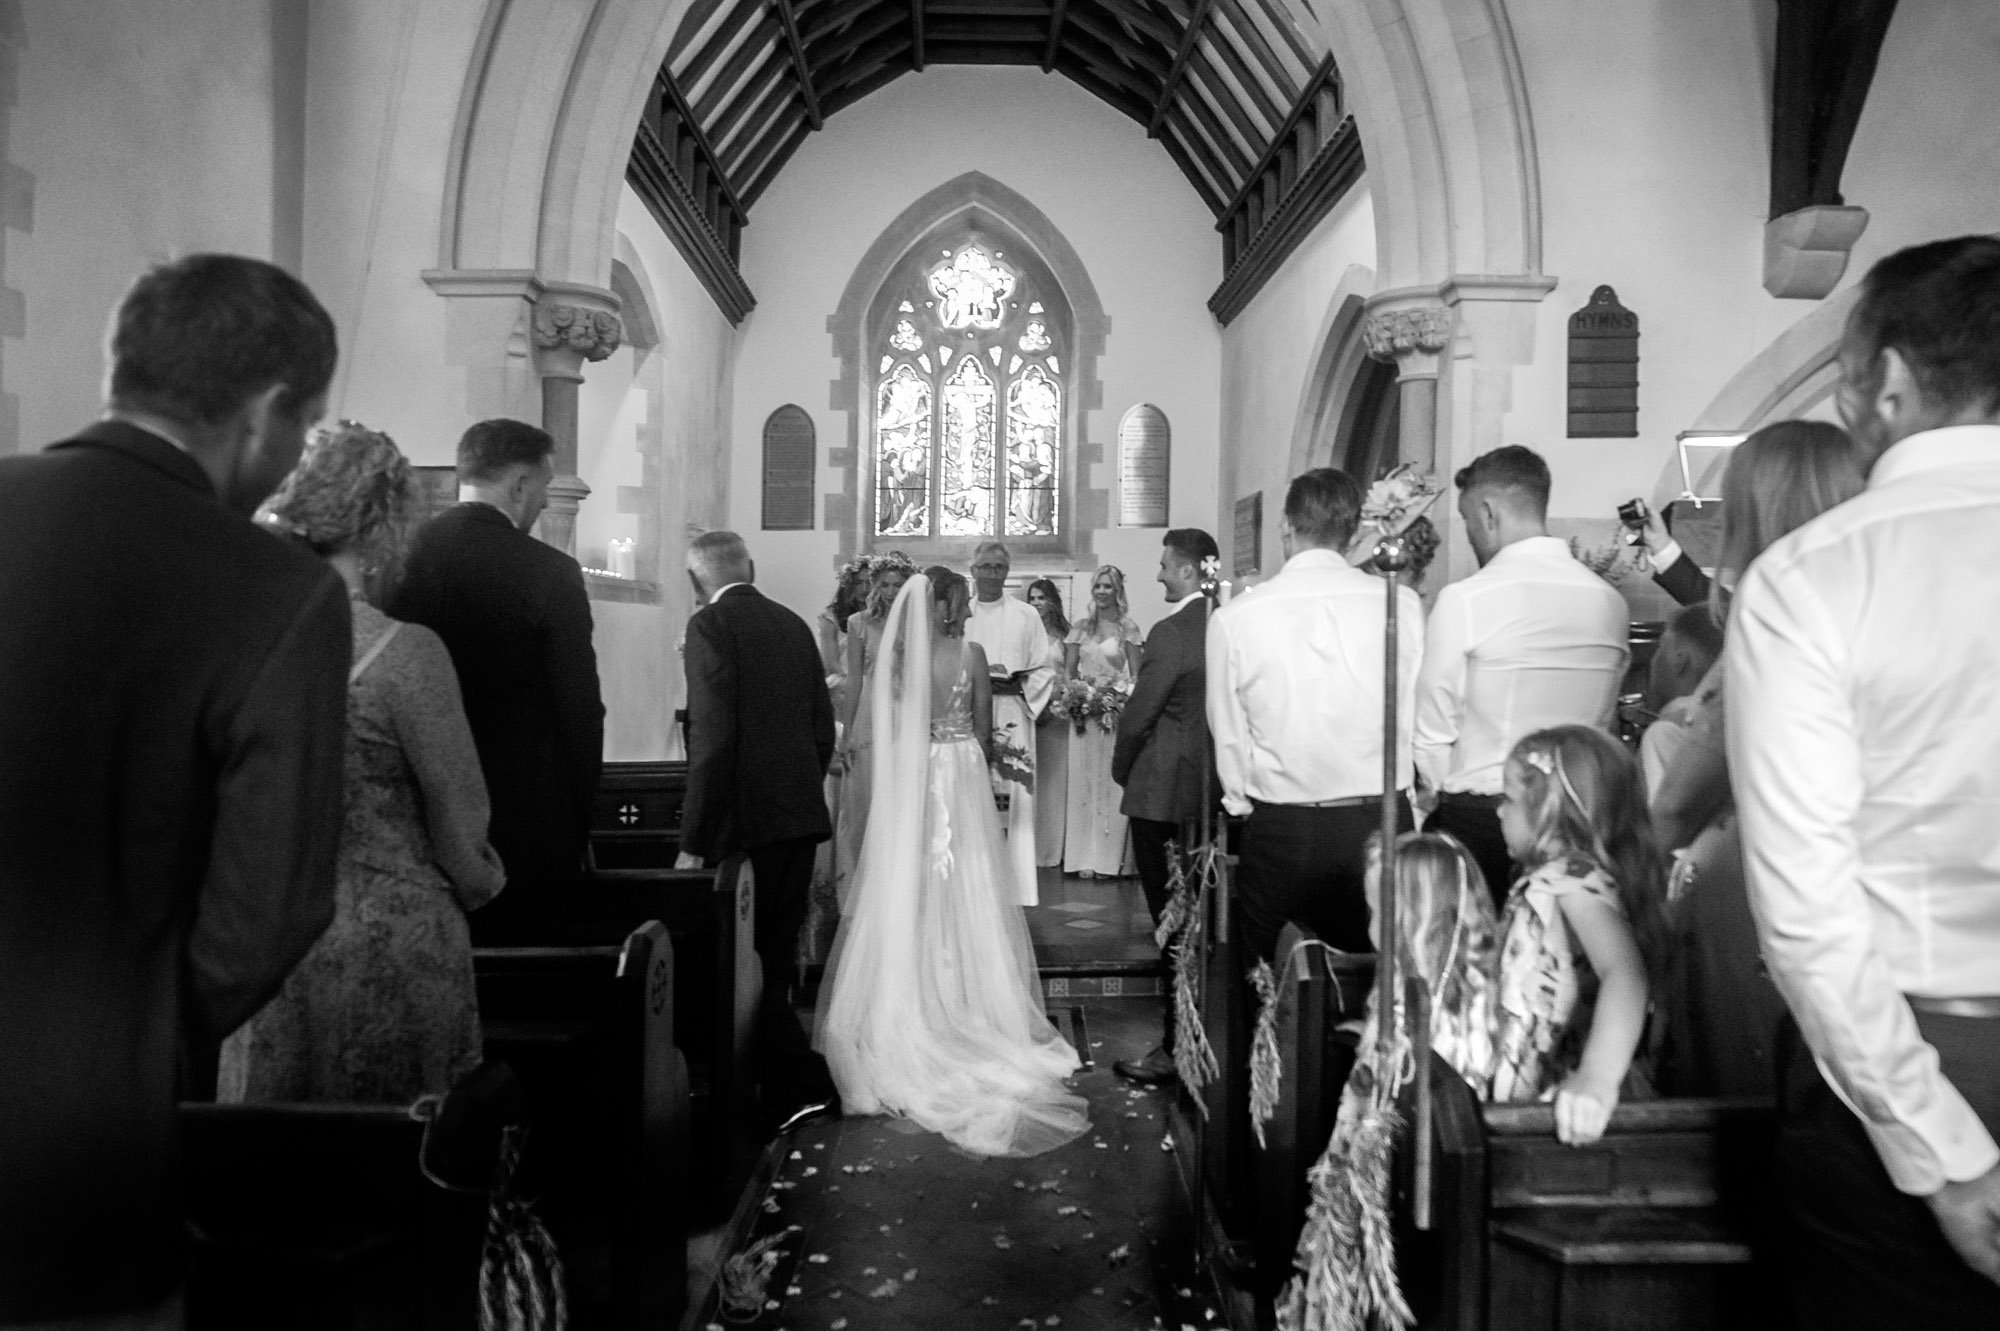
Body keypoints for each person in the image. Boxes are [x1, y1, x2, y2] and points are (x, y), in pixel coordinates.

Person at [0, 254, 347, 1329]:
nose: (292, 461)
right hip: (77, 1156)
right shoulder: (274, 588)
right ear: (267, 412)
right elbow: (268, 914)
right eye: (302, 431)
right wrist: (134, 1029)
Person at [1728, 236, 2000, 1324]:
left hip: (1905, 1052)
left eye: (1843, 377)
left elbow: (1808, 913)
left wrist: (1939, 1152)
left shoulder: (1814, 575)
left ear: (1887, 382)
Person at [221, 423, 506, 1103]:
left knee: (277, 1165)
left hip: (271, 948)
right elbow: (460, 817)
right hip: (392, 940)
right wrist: (481, 882)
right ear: (384, 524)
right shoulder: (406, 653)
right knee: (396, 1168)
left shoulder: (236, 644)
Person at [814, 569, 1089, 1157]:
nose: (966, 611)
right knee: (970, 882)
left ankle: (916, 995)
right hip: (961, 770)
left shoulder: (902, 658)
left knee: (916, 882)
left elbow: (892, 725)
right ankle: (974, 998)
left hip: (920, 772)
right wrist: (970, 759)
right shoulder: (974, 653)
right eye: (961, 601)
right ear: (943, 606)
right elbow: (986, 732)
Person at [1649, 420, 1868, 1101]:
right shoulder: (1883, 602)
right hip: (1868, 894)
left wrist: (1635, 895)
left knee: (1744, 1110)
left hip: (1756, 891)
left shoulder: (1769, 617)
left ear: (1754, 510)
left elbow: (1679, 801)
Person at [387, 418, 603, 942]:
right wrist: (575, 824)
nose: (547, 503)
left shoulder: (398, 561)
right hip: (526, 828)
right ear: (521, 484)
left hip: (416, 822)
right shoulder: (550, 572)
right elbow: (579, 711)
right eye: (546, 488)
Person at [1207, 468, 1424, 962]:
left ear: (1287, 526)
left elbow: (1230, 735)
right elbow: (1414, 710)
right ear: (1354, 532)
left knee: (1267, 983)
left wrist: (1244, 807)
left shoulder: (1236, 617)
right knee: (1382, 982)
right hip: (1382, 820)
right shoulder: (1402, 604)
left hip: (1285, 829)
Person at [1413, 446, 1630, 913]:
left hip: (1482, 821)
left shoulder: (1466, 600)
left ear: (1488, 513)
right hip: (1581, 821)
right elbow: (1604, 723)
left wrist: (1447, 801)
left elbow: (1431, 730)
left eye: (1469, 521)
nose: (1470, 535)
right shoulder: (1610, 602)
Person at [679, 530, 840, 1129]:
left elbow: (712, 738)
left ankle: (802, 1083)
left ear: (697, 583)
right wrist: (802, 789)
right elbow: (822, 726)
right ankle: (784, 1085)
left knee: (746, 961)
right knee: (772, 960)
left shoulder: (710, 628)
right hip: (798, 815)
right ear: (750, 565)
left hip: (746, 827)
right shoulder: (793, 624)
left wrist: (695, 841)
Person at [1490, 726, 1664, 1146]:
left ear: (1550, 813)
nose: (1498, 812)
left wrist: (1597, 1077)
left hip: (1562, 1099)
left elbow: (1625, 972)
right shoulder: (1560, 881)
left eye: (1508, 799)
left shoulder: (1573, 881)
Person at [1111, 528, 1220, 1085]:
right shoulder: (1230, 622)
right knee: (1205, 923)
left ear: (1192, 569)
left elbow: (1139, 715)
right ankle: (1203, 1040)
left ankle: (1177, 1048)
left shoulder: (1175, 631)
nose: (1158, 576)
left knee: (1171, 925)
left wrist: (1120, 769)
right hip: (1215, 794)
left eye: (1166, 566)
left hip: (1163, 795)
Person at [965, 541, 1059, 905]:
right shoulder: (963, 613)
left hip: (1013, 714)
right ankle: (976, 880)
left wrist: (1016, 681)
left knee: (1014, 795)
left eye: (998, 567)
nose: (991, 573)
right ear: (972, 570)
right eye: (984, 566)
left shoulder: (1025, 615)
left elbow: (1044, 668)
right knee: (977, 792)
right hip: (971, 716)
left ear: (1008, 572)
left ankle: (1016, 884)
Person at [834, 552, 912, 901]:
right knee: (867, 793)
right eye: (886, 585)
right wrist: (847, 730)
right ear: (874, 587)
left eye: (898, 585)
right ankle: (866, 877)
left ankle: (902, 872)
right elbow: (853, 681)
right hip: (870, 710)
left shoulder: (917, 623)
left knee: (903, 789)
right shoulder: (858, 623)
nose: (892, 591)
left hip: (906, 709)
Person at [1062, 564, 1143, 876]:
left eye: (1108, 586)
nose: (1102, 591)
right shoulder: (1080, 628)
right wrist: (1077, 695)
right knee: (1083, 782)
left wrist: (1119, 698)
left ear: (1118, 591)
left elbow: (1136, 676)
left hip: (1113, 713)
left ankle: (1109, 859)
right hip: (1084, 713)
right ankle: (1082, 857)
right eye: (1098, 586)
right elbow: (1069, 673)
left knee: (1109, 783)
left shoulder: (1128, 629)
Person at [1636, 603, 1726, 801]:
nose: (1653, 659)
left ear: (1680, 659)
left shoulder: (1665, 735)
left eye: (1660, 647)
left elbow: (1662, 822)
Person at [1026, 577, 1072, 870]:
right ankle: (1033, 846)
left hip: (1058, 712)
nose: (1036, 603)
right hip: (1032, 710)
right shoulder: (1027, 633)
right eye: (1032, 598)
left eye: (1041, 598)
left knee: (1057, 781)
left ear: (1052, 600)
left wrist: (1061, 699)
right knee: (1035, 781)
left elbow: (1070, 673)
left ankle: (1056, 846)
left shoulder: (1065, 634)